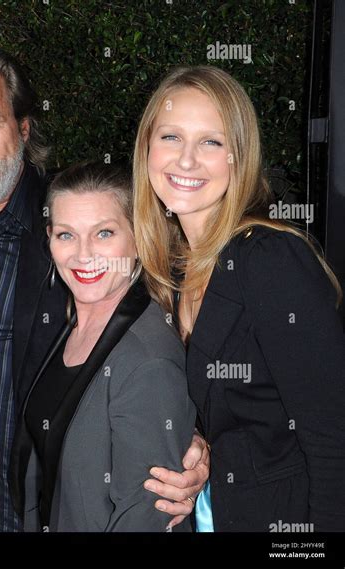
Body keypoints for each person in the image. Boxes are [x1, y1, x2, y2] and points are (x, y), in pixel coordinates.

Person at [0, 46, 208, 531]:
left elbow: (161, 328)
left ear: (23, 129)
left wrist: (194, 441)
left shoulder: (64, 232)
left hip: (13, 518)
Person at [133, 65, 345, 532]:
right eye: (171, 137)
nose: (186, 161)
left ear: (239, 157)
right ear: (147, 147)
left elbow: (334, 440)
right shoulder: (169, 270)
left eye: (211, 141)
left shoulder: (270, 259)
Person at [9, 161, 196, 531]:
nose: (83, 254)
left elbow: (145, 518)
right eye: (66, 235)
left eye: (104, 233)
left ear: (139, 237)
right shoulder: (72, 323)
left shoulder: (147, 360)